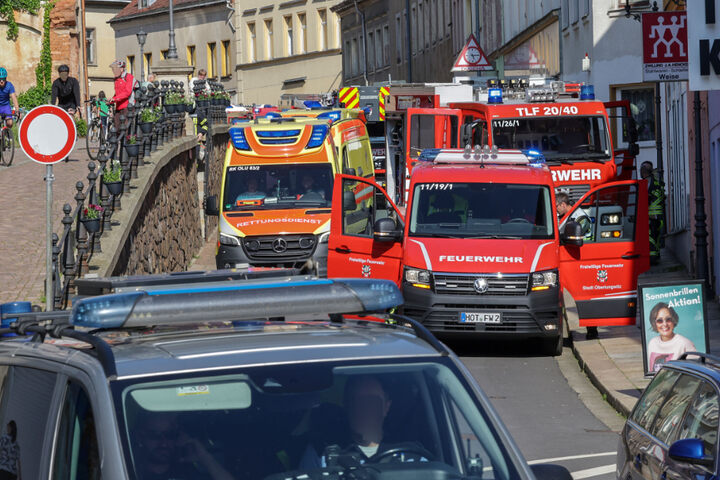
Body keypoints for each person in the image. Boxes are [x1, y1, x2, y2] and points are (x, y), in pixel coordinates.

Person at [300, 375, 428, 469]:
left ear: (386, 407)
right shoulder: (320, 452)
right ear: (346, 406)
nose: (363, 409)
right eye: (356, 401)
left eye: (372, 401)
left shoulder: (412, 455)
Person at [134, 414, 232, 480]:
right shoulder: (129, 470)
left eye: (170, 435)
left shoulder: (186, 472)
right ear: (140, 438)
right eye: (155, 435)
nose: (163, 443)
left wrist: (204, 457)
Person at [647, 302, 697, 373]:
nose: (664, 324)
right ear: (654, 323)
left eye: (668, 319)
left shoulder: (685, 344)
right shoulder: (652, 343)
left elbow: (695, 376)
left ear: (674, 320)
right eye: (660, 321)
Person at [641, 161, 665, 265]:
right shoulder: (658, 183)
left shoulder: (646, 183)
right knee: (657, 236)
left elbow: (645, 199)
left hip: (651, 215)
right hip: (659, 216)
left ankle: (652, 258)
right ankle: (657, 255)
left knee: (650, 236)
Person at [110, 60, 136, 130]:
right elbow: (117, 93)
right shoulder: (116, 79)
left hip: (128, 106)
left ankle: (126, 140)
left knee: (124, 128)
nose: (114, 71)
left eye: (115, 69)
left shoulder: (128, 77)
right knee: (116, 127)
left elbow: (127, 92)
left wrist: (115, 99)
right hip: (119, 107)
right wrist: (111, 100)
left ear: (121, 69)